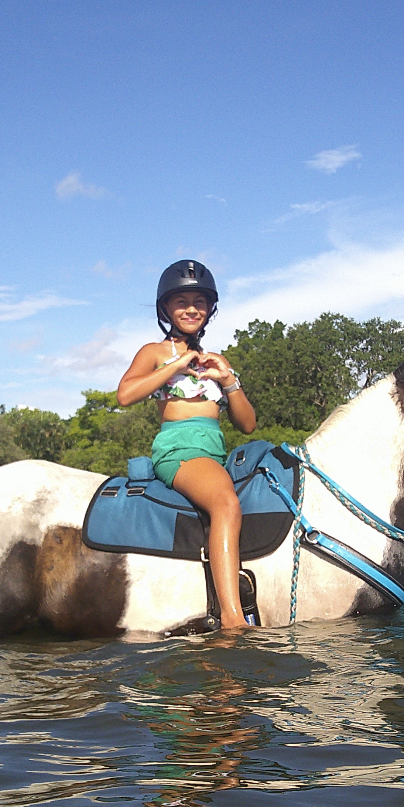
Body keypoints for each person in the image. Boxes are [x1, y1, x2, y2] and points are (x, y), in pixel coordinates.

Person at [116, 260, 258, 630]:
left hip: (214, 452)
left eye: (200, 301)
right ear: (166, 308)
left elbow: (247, 423)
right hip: (179, 449)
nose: (191, 308)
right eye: (181, 301)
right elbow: (126, 394)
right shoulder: (154, 351)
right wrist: (175, 367)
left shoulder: (216, 359)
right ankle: (233, 619)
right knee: (226, 503)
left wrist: (227, 379)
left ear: (210, 309)